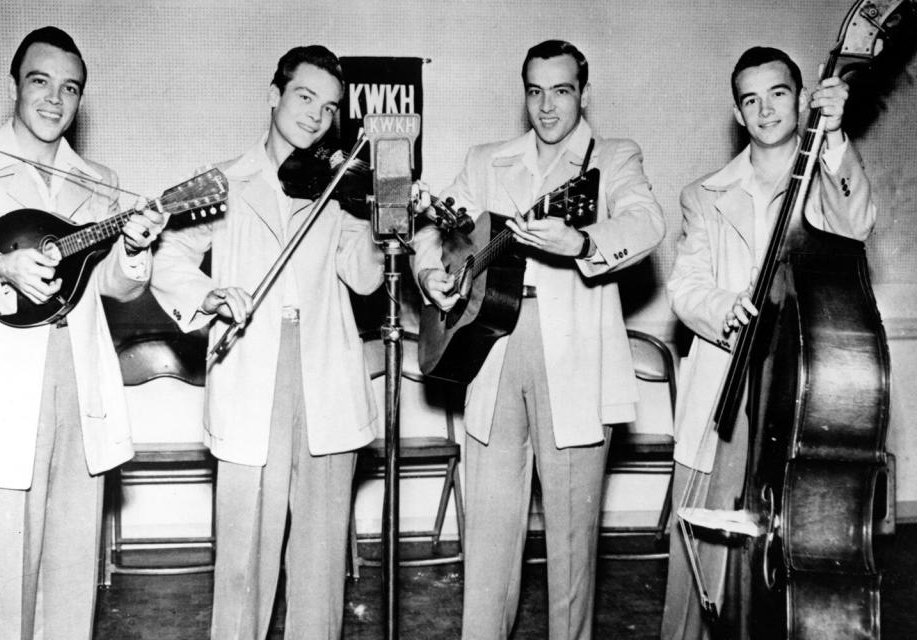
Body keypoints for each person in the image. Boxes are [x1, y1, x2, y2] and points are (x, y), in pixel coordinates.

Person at [414, 39, 666, 639]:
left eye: (561, 90)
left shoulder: (613, 158)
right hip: (491, 349)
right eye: (534, 92)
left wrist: (580, 243)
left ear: (583, 90)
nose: (547, 106)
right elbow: (433, 228)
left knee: (572, 540)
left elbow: (647, 223)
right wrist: (431, 274)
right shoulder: (486, 159)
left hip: (574, 359)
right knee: (490, 530)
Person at [149, 45, 383, 639]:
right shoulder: (226, 180)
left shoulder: (340, 187)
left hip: (326, 373)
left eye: (330, 108)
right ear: (275, 94)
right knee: (243, 563)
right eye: (305, 97)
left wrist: (378, 218)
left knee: (321, 563)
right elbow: (168, 259)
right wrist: (208, 295)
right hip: (253, 368)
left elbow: (365, 278)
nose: (316, 116)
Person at [661, 46, 877, 639]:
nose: (765, 109)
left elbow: (857, 225)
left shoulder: (825, 175)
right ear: (738, 112)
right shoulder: (703, 194)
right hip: (726, 384)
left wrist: (833, 141)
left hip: (800, 392)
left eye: (778, 93)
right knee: (698, 568)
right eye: (750, 99)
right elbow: (685, 286)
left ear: (802, 98)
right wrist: (721, 309)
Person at [0, 26, 165, 640]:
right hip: (0, 393)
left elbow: (114, 289)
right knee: (3, 576)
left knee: (74, 571)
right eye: (40, 82)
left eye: (69, 88)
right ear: (15, 87)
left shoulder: (99, 180)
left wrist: (132, 249)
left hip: (82, 385)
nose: (54, 99)